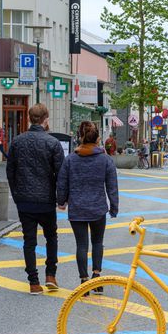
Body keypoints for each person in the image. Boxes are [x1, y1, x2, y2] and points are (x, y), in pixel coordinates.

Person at [6, 103, 65, 295]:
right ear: (46, 119)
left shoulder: (17, 141)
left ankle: (33, 282)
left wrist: (16, 195)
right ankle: (51, 275)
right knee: (51, 237)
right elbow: (61, 174)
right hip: (46, 200)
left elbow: (10, 172)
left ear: (31, 118)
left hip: (24, 200)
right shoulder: (52, 143)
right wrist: (61, 198)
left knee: (29, 241)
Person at [57, 121, 119, 294]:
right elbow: (112, 186)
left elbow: (62, 183)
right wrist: (114, 208)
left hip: (77, 208)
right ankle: (96, 277)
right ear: (98, 139)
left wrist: (61, 202)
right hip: (98, 208)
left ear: (80, 137)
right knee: (98, 242)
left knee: (81, 245)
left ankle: (84, 281)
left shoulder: (70, 159)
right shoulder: (105, 159)